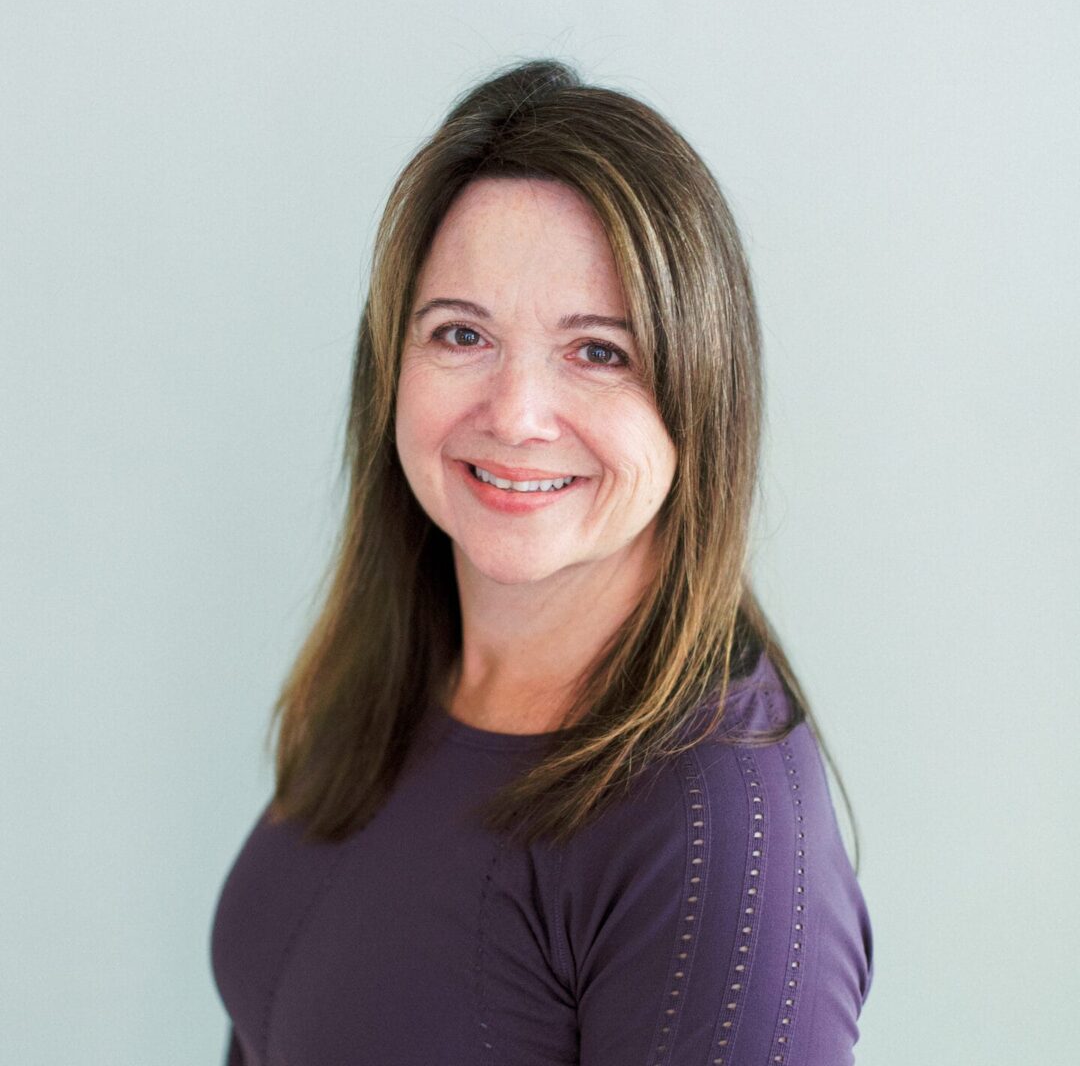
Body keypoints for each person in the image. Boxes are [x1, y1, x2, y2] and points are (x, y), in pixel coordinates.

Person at [210, 58, 873, 1065]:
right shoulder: (387, 671)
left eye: (598, 350)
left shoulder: (718, 847)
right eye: (462, 333)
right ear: (392, 368)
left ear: (701, 397)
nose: (515, 415)